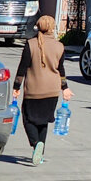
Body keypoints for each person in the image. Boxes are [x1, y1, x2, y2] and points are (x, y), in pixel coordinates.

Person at [12, 15, 73, 166]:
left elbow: (22, 68)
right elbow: (61, 70)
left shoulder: (31, 44)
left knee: (28, 118)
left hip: (34, 89)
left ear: (38, 27)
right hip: (52, 90)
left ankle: (35, 143)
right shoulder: (60, 46)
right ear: (52, 28)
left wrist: (16, 87)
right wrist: (65, 88)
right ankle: (41, 150)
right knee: (43, 120)